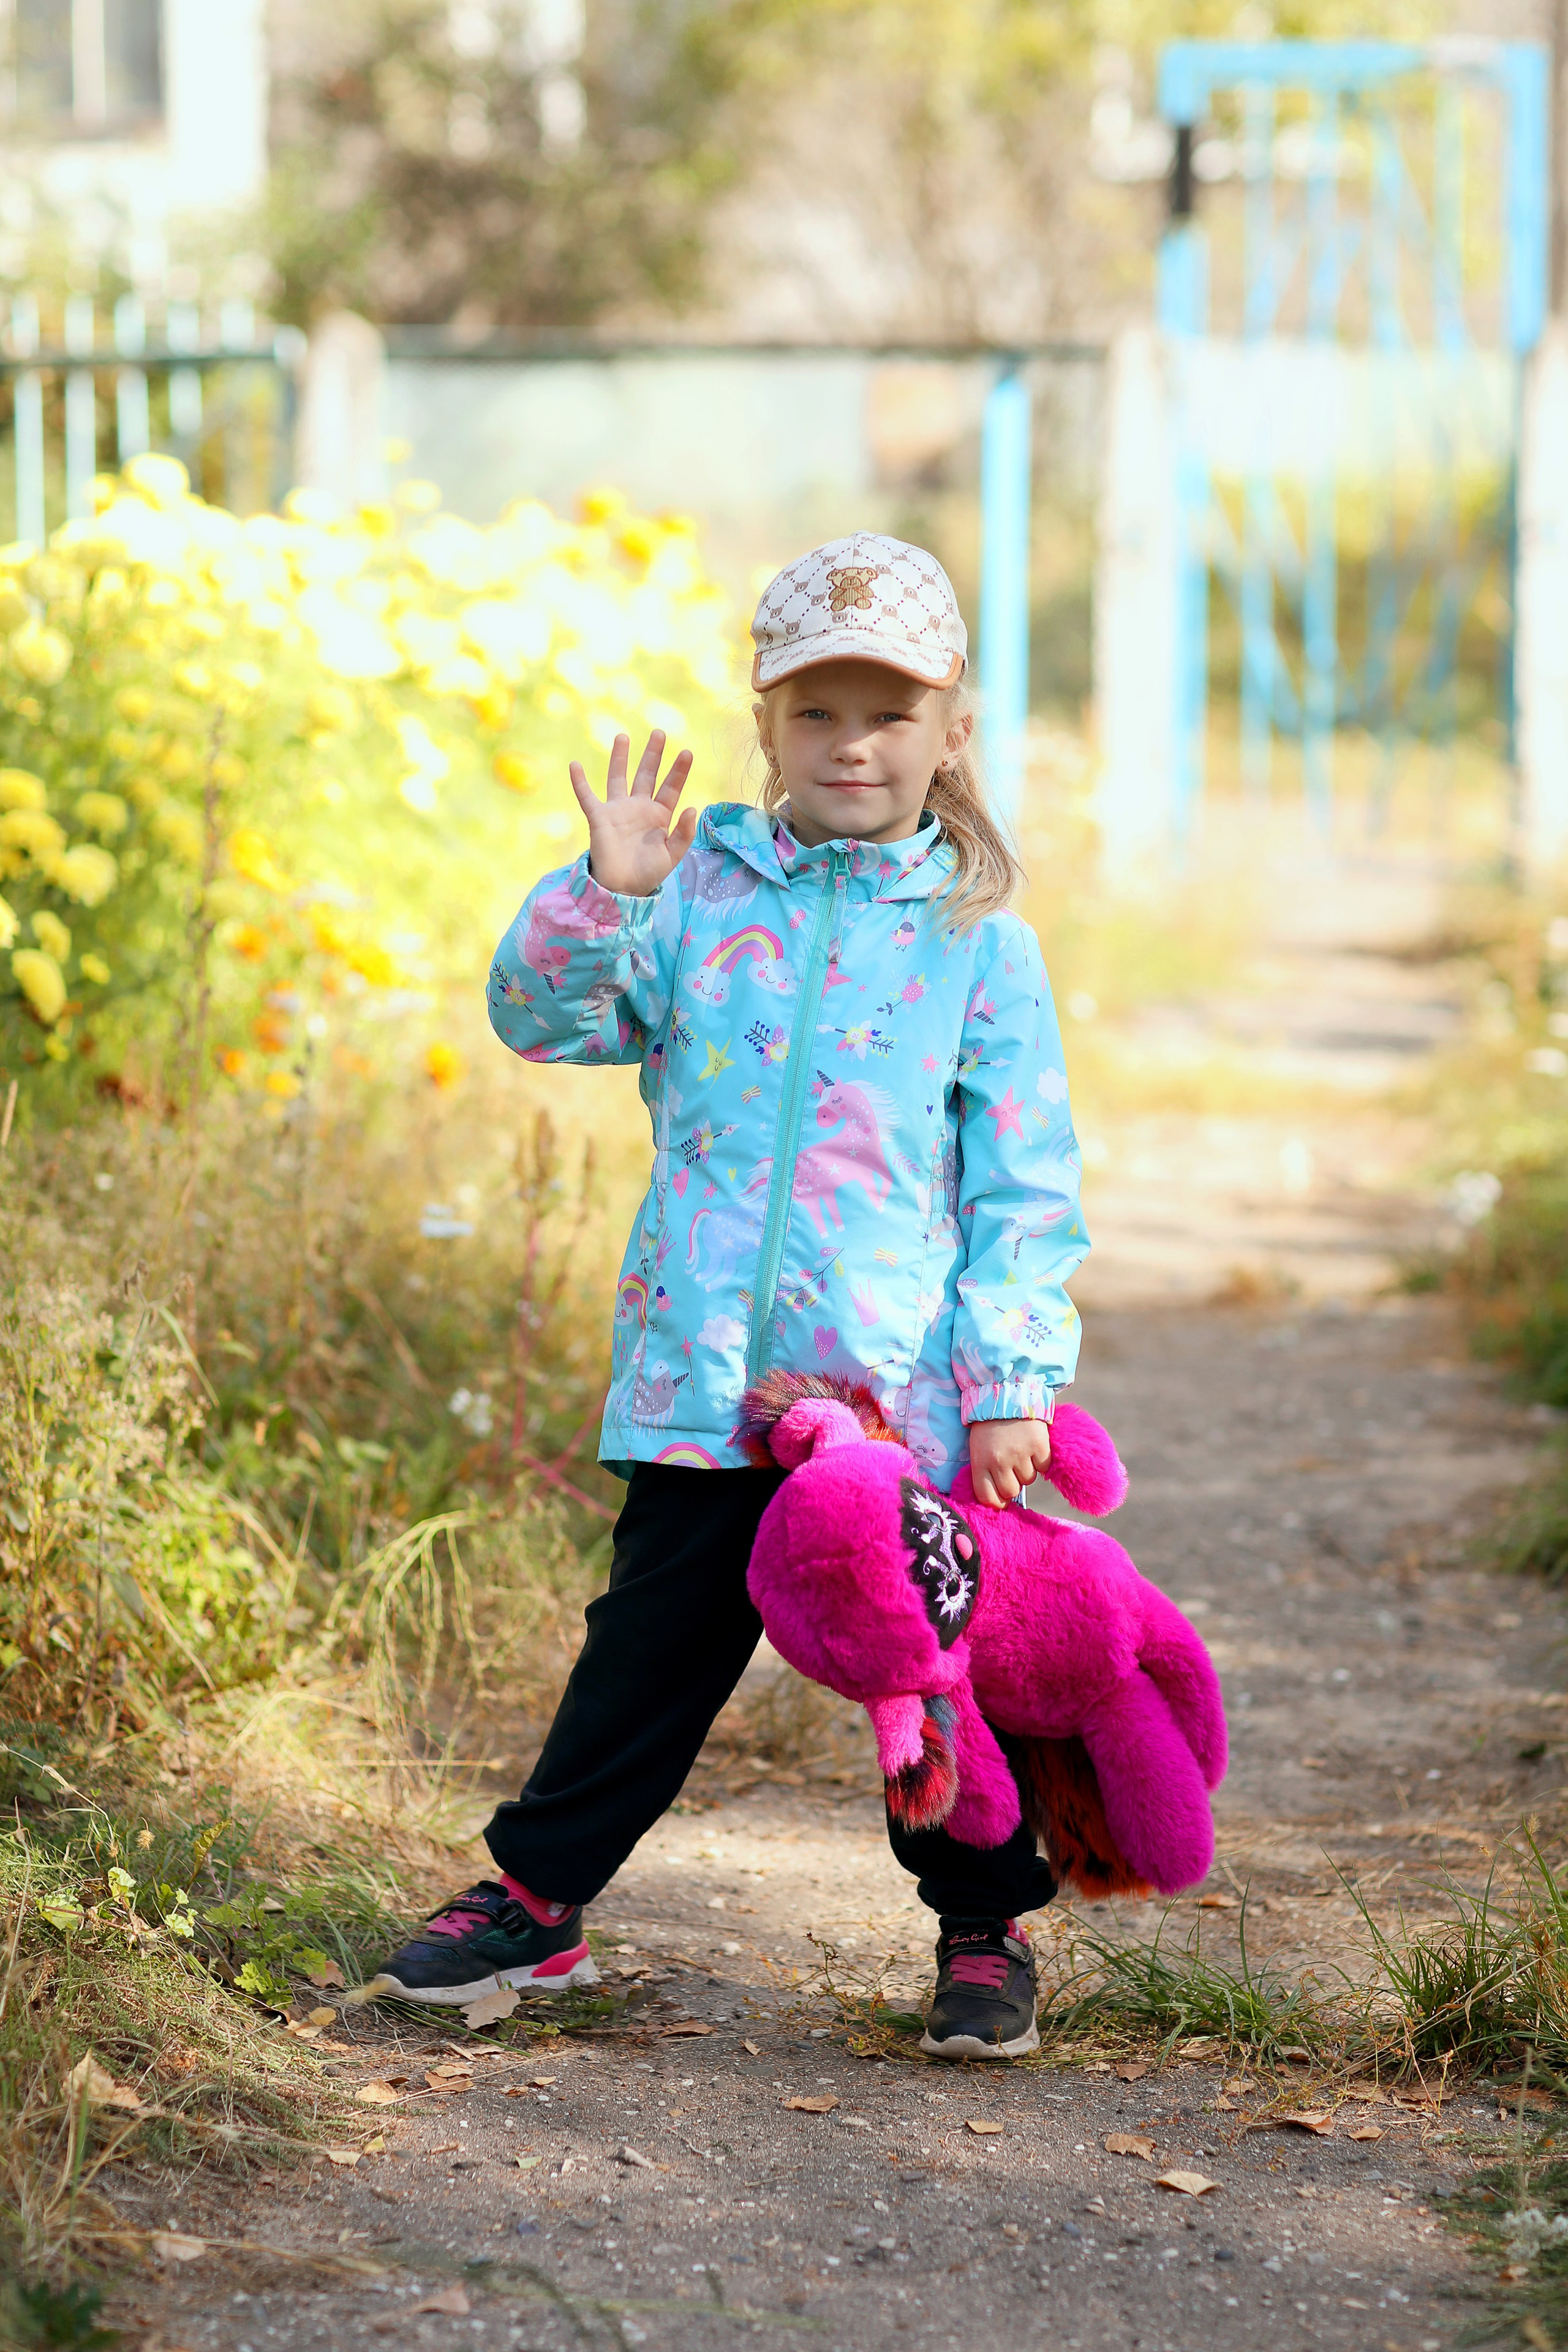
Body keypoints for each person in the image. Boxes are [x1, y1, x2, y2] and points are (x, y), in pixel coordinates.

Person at [371, 533, 1090, 2059]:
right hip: (704, 1382)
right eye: (816, 713)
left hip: (895, 1405)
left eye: (887, 714)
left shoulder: (979, 946)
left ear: (949, 731)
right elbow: (540, 1024)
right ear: (764, 725)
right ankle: (536, 1902)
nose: (851, 745)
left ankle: (981, 1925)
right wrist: (601, 895)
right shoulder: (693, 892)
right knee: (645, 1650)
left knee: (925, 1664)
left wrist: (1014, 1379)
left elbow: (1027, 1185)